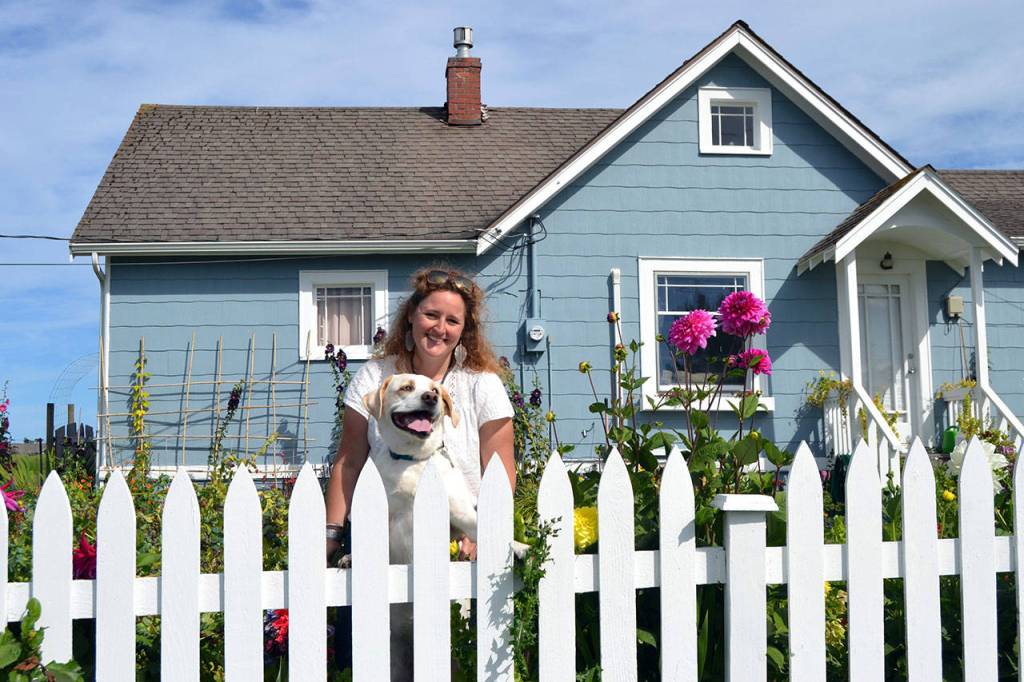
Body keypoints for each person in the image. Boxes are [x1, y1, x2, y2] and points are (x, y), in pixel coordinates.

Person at [324, 266, 515, 562]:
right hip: (380, 547)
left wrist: (486, 532)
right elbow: (349, 462)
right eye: (431, 315)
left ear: (464, 330)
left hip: (459, 546)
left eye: (453, 321)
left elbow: (499, 470)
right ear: (411, 314)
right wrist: (331, 537)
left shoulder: (483, 384)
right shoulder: (374, 376)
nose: (440, 328)